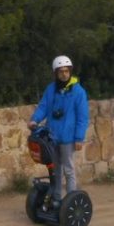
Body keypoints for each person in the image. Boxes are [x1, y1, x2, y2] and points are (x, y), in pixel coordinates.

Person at [28, 55, 90, 206]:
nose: (64, 74)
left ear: (70, 72)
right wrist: (34, 119)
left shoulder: (78, 92)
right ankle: (56, 199)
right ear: (56, 73)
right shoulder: (51, 89)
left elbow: (83, 117)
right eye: (60, 71)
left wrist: (79, 138)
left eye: (66, 71)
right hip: (52, 137)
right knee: (55, 170)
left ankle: (70, 201)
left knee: (68, 170)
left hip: (68, 138)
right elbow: (43, 106)